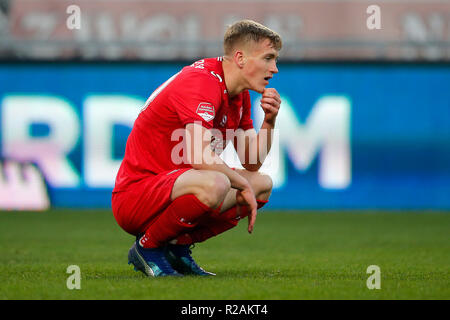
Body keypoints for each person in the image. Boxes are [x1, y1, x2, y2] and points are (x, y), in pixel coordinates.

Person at [112, 19, 282, 277]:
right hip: (137, 195)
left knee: (262, 184)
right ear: (240, 58)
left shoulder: (239, 94)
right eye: (268, 58)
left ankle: (177, 248)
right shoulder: (202, 81)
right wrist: (240, 183)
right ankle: (147, 247)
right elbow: (198, 155)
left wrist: (269, 120)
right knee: (218, 183)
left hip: (177, 191)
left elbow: (251, 162)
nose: (275, 68)